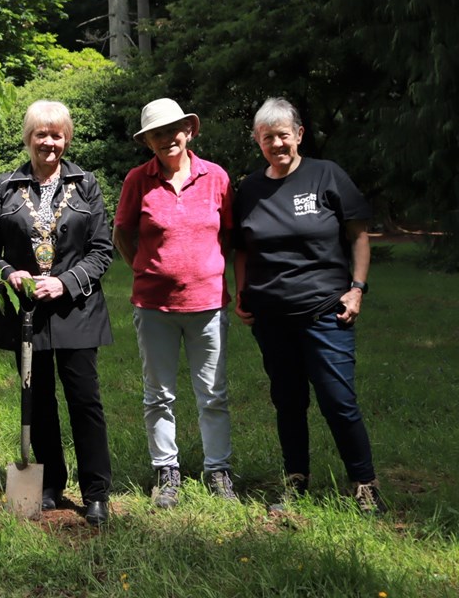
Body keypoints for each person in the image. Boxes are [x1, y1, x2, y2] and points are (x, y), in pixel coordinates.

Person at [233, 97, 384, 513]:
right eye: (268, 138)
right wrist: (242, 293)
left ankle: (365, 483)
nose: (277, 144)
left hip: (325, 311)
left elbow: (358, 235)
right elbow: (242, 249)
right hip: (270, 316)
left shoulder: (327, 175)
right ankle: (296, 478)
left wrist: (357, 288)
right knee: (288, 400)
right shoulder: (249, 189)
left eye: (284, 135)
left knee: (338, 399)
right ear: (257, 141)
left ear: (299, 134)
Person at [0, 100, 113, 527]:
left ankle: (96, 493)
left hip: (77, 309)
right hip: (27, 313)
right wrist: (8, 272)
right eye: (41, 134)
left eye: (56, 135)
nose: (48, 143)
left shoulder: (86, 184)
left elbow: (103, 250)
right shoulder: (6, 186)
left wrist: (66, 281)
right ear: (28, 138)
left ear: (66, 138)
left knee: (84, 400)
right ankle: (51, 484)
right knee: (38, 401)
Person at [113, 98, 235, 508]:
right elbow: (123, 234)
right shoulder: (137, 180)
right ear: (148, 142)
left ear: (189, 131)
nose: (167, 139)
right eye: (157, 134)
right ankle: (167, 471)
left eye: (173, 130)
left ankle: (218, 471)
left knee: (213, 393)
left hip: (208, 303)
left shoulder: (216, 177)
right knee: (158, 394)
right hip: (154, 307)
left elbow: (230, 235)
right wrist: (145, 269)